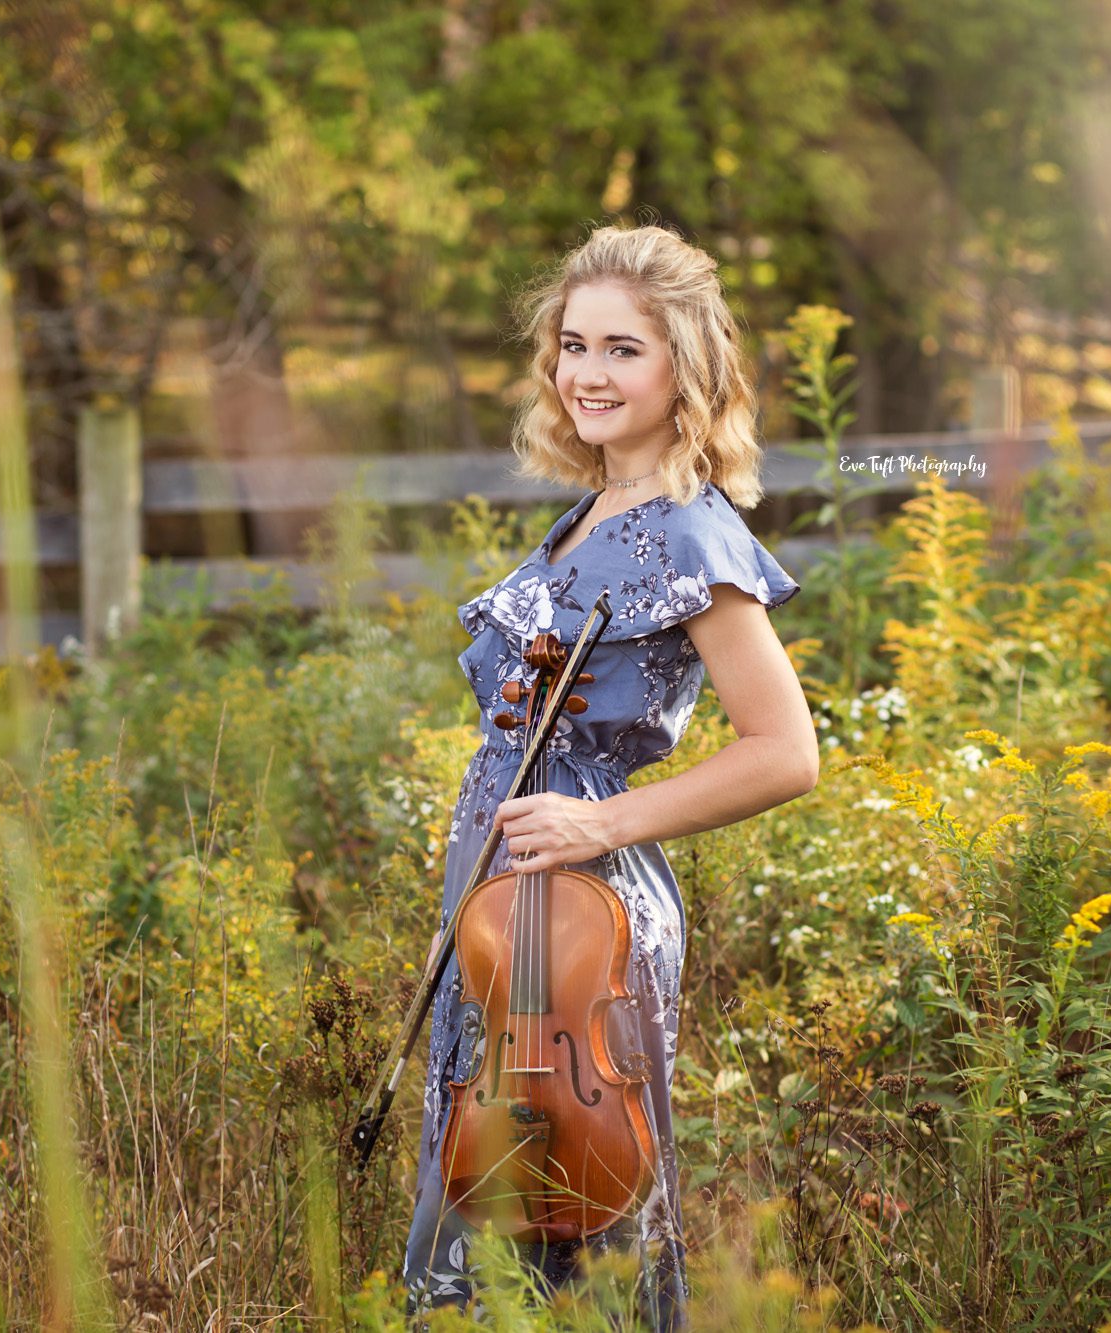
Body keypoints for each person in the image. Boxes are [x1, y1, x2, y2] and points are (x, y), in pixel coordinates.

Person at [404, 223, 821, 1326]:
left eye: (622, 350)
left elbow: (786, 752)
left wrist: (601, 826)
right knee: (491, 1168)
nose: (586, 373)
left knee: (579, 1205)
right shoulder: (588, 511)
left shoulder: (688, 531)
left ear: (685, 364)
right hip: (507, 892)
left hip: (579, 900)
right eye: (572, 345)